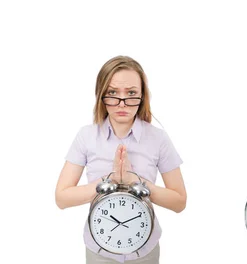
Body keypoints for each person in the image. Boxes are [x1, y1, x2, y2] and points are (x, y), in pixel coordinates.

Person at [55, 55, 187, 264]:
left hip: (144, 250)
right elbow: (61, 198)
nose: (122, 103)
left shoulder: (158, 139)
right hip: (99, 250)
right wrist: (108, 183)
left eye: (131, 93)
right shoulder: (86, 136)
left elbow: (179, 201)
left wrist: (136, 182)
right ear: (101, 96)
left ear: (143, 96)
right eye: (113, 93)